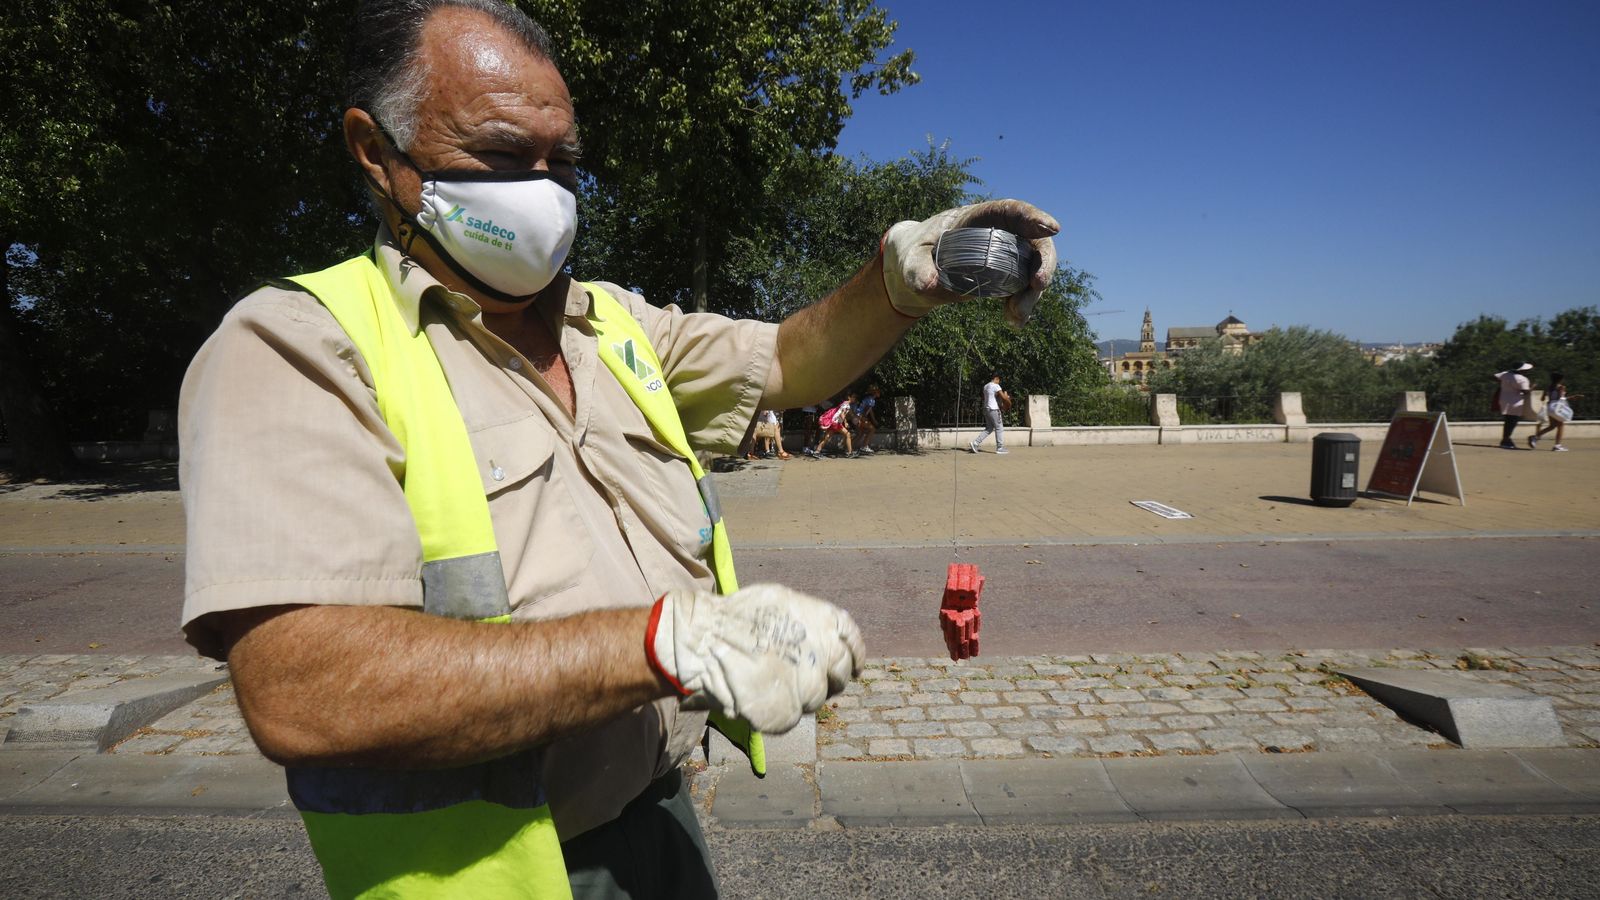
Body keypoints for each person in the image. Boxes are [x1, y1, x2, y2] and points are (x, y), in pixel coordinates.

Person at [177, 1, 1058, 895]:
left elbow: (791, 357)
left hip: (662, 819)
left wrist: (902, 277)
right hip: (497, 874)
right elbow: (303, 690)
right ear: (377, 152)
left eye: (562, 160)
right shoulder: (296, 346)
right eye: (501, 154)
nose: (544, 189)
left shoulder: (613, 324)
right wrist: (667, 645)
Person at [1529, 372, 1580, 452]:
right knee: (1560, 426)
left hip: (1549, 407)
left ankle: (1535, 437)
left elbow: (1542, 398)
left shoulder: (1549, 387)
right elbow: (1561, 398)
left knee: (1552, 426)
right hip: (1557, 408)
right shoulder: (1561, 387)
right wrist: (1572, 397)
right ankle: (1557, 446)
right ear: (1560, 379)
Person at [1493, 363, 1534, 449]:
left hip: (1504, 399)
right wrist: (1532, 388)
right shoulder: (1522, 379)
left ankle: (1505, 439)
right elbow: (1526, 392)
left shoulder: (1506, 374)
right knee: (1512, 422)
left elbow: (1493, 376)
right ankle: (1506, 440)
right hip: (1515, 402)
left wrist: (1502, 383)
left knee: (1508, 421)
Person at [969, 374, 1011, 454]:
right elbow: (1003, 397)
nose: (999, 382)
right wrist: (1008, 399)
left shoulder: (985, 386)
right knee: (999, 428)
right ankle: (1000, 448)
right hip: (994, 409)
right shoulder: (996, 385)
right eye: (999, 380)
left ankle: (975, 443)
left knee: (989, 428)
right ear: (996, 379)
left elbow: (987, 398)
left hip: (986, 409)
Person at [807, 393, 858, 458]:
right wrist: (845, 422)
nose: (855, 399)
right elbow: (842, 414)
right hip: (836, 423)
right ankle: (850, 453)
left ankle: (817, 451)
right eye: (854, 397)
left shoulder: (844, 404)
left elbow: (845, 413)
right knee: (848, 434)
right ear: (849, 397)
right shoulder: (846, 405)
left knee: (827, 437)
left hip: (833, 422)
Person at [854, 386, 881, 454]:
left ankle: (848, 447)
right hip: (860, 416)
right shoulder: (872, 400)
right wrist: (864, 418)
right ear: (875, 393)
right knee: (872, 429)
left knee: (860, 433)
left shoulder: (868, 399)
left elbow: (870, 410)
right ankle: (864, 446)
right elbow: (866, 410)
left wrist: (873, 419)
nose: (879, 393)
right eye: (878, 391)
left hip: (857, 416)